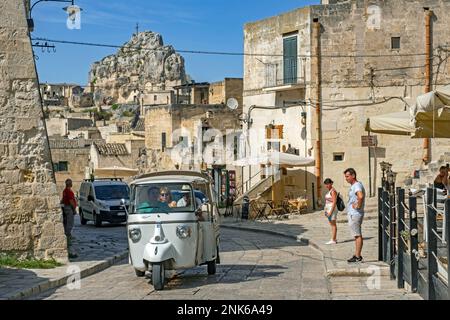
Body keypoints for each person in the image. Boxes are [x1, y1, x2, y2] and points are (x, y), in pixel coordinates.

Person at [344, 168, 366, 263]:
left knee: (357, 235)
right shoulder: (355, 185)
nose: (346, 178)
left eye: (347, 176)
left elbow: (360, 196)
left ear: (353, 175)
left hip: (355, 214)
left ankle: (357, 256)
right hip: (354, 213)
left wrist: (358, 205)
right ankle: (357, 255)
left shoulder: (356, 185)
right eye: (345, 177)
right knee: (356, 235)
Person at [323, 178, 338, 245]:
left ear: (331, 183)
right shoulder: (329, 191)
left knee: (333, 224)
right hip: (328, 209)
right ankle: (333, 238)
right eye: (326, 184)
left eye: (328, 184)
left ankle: (333, 240)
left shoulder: (333, 191)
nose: (327, 185)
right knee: (331, 224)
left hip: (332, 210)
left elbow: (334, 202)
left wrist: (330, 212)